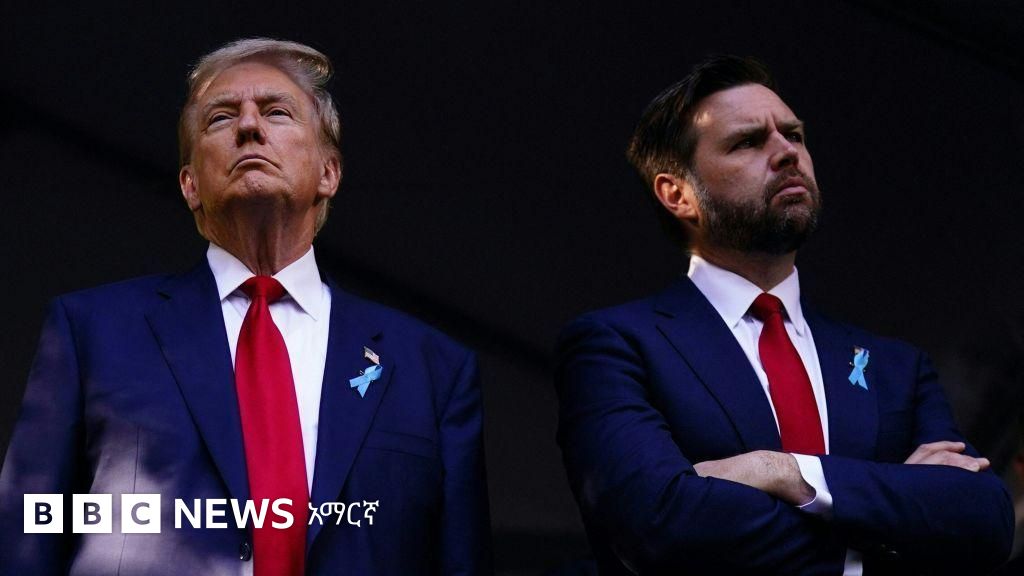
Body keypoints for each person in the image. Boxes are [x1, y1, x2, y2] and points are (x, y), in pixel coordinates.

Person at [0, 38, 491, 576]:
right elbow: (25, 537)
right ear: (190, 185)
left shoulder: (433, 368)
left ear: (329, 173)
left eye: (277, 112)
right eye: (221, 118)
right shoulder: (90, 333)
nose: (250, 126)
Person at [554, 55, 1013, 575]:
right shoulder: (615, 347)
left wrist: (781, 470)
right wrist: (889, 522)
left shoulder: (896, 369)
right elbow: (656, 526)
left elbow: (985, 520)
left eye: (793, 134)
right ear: (677, 194)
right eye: (748, 142)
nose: (787, 152)